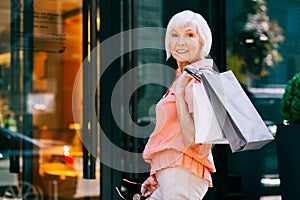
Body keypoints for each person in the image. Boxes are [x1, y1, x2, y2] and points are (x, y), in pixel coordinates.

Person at [141, 10, 216, 200]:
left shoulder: (196, 82)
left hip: (181, 174)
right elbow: (172, 135)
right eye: (174, 34)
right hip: (171, 174)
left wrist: (181, 91)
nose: (180, 42)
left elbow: (197, 142)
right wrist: (158, 174)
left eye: (189, 35)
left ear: (202, 41)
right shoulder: (182, 78)